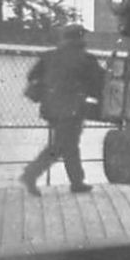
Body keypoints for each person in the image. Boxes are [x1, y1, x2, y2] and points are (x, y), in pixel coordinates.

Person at [20, 23, 105, 196]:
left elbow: (32, 76)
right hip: (72, 108)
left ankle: (77, 182)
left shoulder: (49, 56)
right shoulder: (86, 59)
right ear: (80, 38)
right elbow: (99, 83)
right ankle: (30, 174)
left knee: (68, 144)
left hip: (51, 107)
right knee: (62, 145)